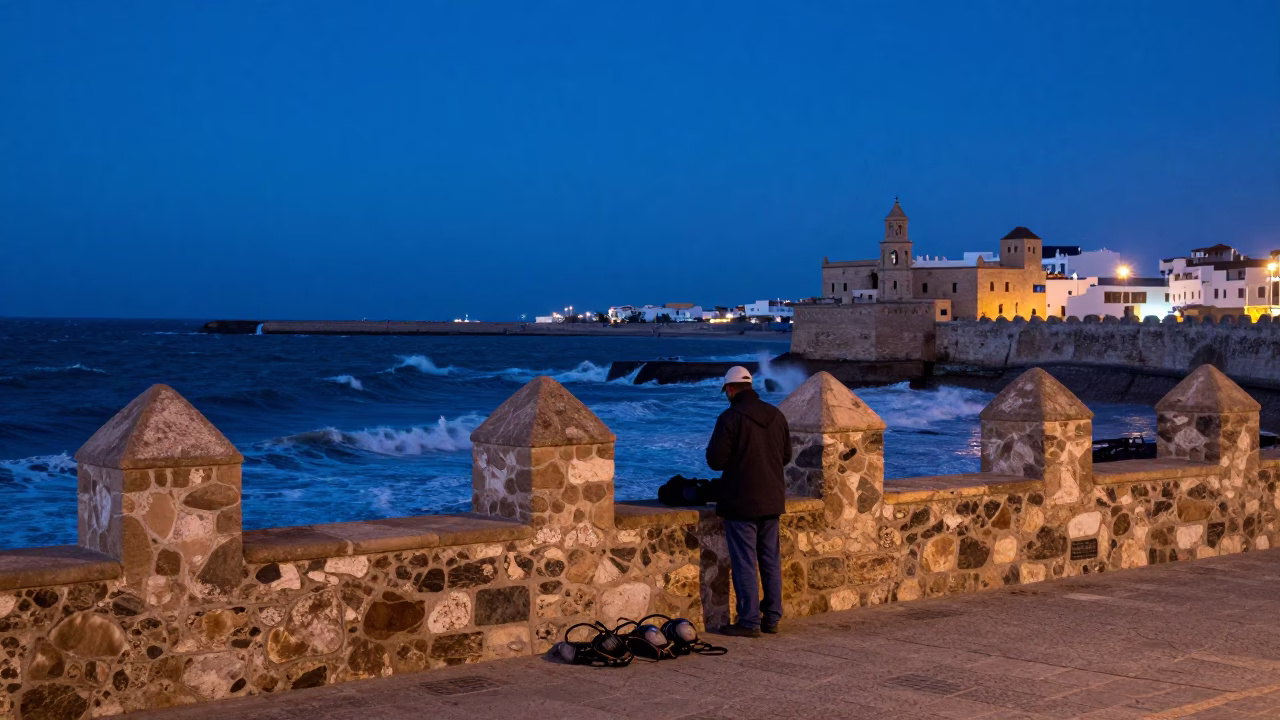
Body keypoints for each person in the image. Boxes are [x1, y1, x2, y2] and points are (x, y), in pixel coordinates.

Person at [705, 365, 791, 637]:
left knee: (744, 561)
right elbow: (786, 456)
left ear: (730, 389)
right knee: (770, 560)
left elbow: (715, 461)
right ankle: (773, 617)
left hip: (741, 500)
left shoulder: (729, 418)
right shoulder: (776, 415)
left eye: (726, 391)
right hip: (772, 498)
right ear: (750, 387)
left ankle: (750, 621)